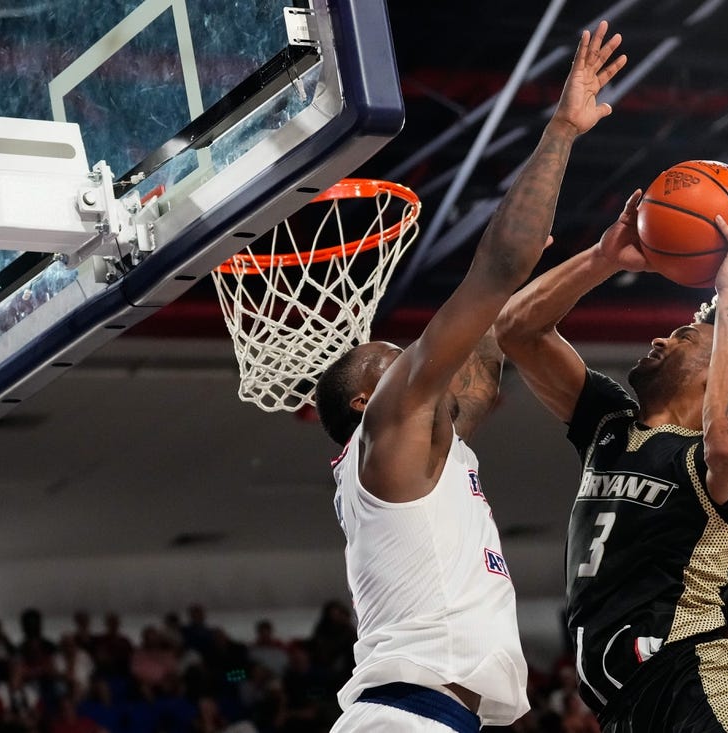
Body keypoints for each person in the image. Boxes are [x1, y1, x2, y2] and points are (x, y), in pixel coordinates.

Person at [313, 21, 628, 733]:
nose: (410, 359)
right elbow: (495, 271)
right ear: (368, 399)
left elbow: (484, 372)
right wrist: (564, 129)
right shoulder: (389, 426)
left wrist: (590, 263)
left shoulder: (429, 448)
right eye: (390, 357)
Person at [495, 179, 728, 729]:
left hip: (696, 686)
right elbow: (516, 331)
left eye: (685, 335)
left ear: (718, 371)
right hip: (623, 711)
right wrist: (602, 258)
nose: (661, 340)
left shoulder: (724, 462)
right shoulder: (607, 423)